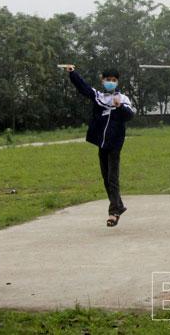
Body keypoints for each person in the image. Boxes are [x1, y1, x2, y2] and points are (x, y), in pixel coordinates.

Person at [65, 65, 135, 226]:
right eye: (108, 80)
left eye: (114, 80)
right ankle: (119, 205)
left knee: (112, 177)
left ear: (117, 82)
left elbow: (129, 116)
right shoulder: (99, 97)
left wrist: (120, 107)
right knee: (105, 178)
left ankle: (114, 212)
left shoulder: (123, 99)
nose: (111, 82)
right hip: (101, 143)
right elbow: (84, 88)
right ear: (102, 80)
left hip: (115, 143)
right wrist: (73, 73)